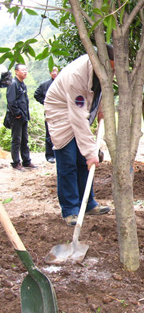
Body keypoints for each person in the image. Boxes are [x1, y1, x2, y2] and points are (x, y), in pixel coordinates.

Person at [44, 46, 113, 226]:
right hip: (61, 112)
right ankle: (70, 210)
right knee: (68, 163)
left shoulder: (104, 69)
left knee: (83, 163)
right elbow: (77, 117)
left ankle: (88, 204)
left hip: (80, 111)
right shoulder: (77, 75)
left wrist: (101, 108)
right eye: (111, 68)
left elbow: (101, 91)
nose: (112, 72)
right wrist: (92, 153)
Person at [6, 64, 36, 170]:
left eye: (26, 69)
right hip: (16, 117)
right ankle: (16, 162)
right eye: (22, 70)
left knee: (24, 139)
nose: (25, 71)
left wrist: (25, 115)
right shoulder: (13, 84)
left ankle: (26, 161)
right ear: (16, 72)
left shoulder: (22, 84)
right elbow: (11, 101)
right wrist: (17, 114)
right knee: (16, 140)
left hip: (23, 117)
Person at [34, 66, 59, 163]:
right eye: (52, 71)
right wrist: (45, 102)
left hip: (61, 112)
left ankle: (58, 153)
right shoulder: (45, 84)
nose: (54, 73)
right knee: (49, 133)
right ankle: (49, 155)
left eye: (56, 71)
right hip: (49, 112)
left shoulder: (62, 83)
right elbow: (36, 94)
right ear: (50, 73)